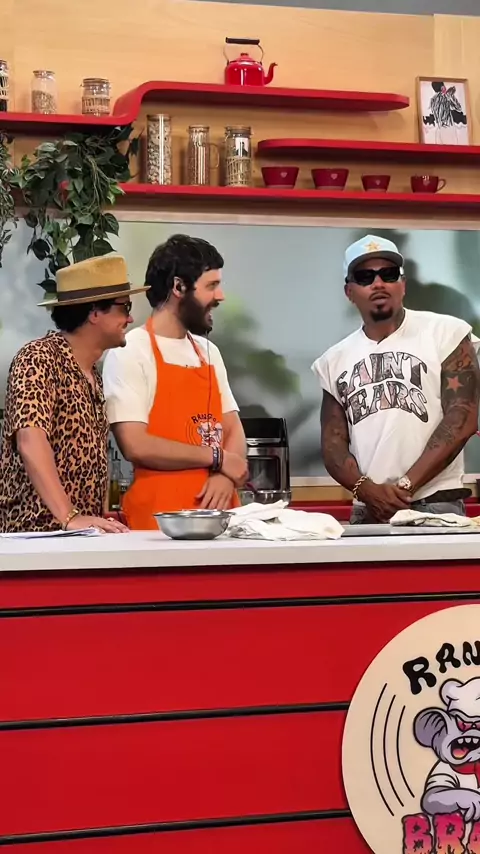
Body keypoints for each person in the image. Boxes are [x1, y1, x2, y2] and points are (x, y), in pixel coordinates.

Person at [312, 234, 480, 524]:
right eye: (365, 277)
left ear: (403, 284)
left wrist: (404, 487)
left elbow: (462, 418)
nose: (378, 283)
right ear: (349, 291)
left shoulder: (447, 333)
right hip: (369, 508)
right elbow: (333, 445)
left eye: (388, 274)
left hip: (435, 504)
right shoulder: (333, 360)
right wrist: (367, 491)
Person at [102, 234, 248, 529]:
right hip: (159, 527)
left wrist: (224, 476)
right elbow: (136, 444)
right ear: (178, 287)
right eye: (211, 286)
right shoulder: (131, 351)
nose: (220, 296)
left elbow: (233, 429)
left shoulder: (209, 351)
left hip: (221, 520)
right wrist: (218, 458)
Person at [0, 254, 149, 533]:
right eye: (124, 307)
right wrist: (70, 517)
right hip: (35, 538)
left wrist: (98, 515)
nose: (130, 317)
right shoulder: (39, 358)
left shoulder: (92, 374)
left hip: (78, 539)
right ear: (94, 313)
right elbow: (30, 440)